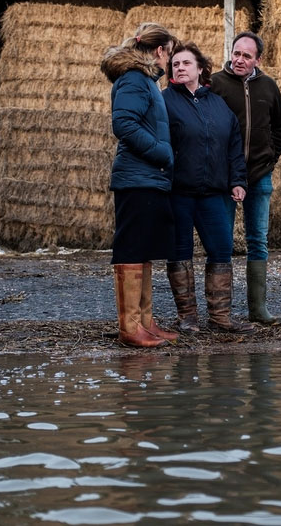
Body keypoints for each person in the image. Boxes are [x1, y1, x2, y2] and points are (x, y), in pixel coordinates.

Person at [163, 42, 254, 334]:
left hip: (214, 193)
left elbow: (234, 146)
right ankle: (188, 317)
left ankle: (220, 317)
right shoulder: (164, 101)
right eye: (175, 64)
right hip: (178, 192)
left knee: (221, 250)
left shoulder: (218, 104)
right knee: (179, 251)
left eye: (185, 63)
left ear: (200, 69)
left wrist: (238, 180)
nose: (179, 68)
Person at [100, 22, 180, 348]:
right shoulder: (134, 78)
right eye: (169, 54)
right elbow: (124, 123)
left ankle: (144, 321)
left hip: (149, 177)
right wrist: (162, 152)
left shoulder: (144, 81)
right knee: (132, 248)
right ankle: (130, 327)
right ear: (159, 50)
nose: (170, 62)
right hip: (137, 177)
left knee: (144, 249)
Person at [210, 31, 281, 325]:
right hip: (225, 177)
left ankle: (258, 308)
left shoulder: (268, 86)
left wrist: (270, 157)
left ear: (258, 59)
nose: (239, 59)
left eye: (246, 55)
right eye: (236, 53)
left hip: (259, 175)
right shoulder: (215, 84)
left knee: (258, 239)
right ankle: (222, 311)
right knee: (223, 240)